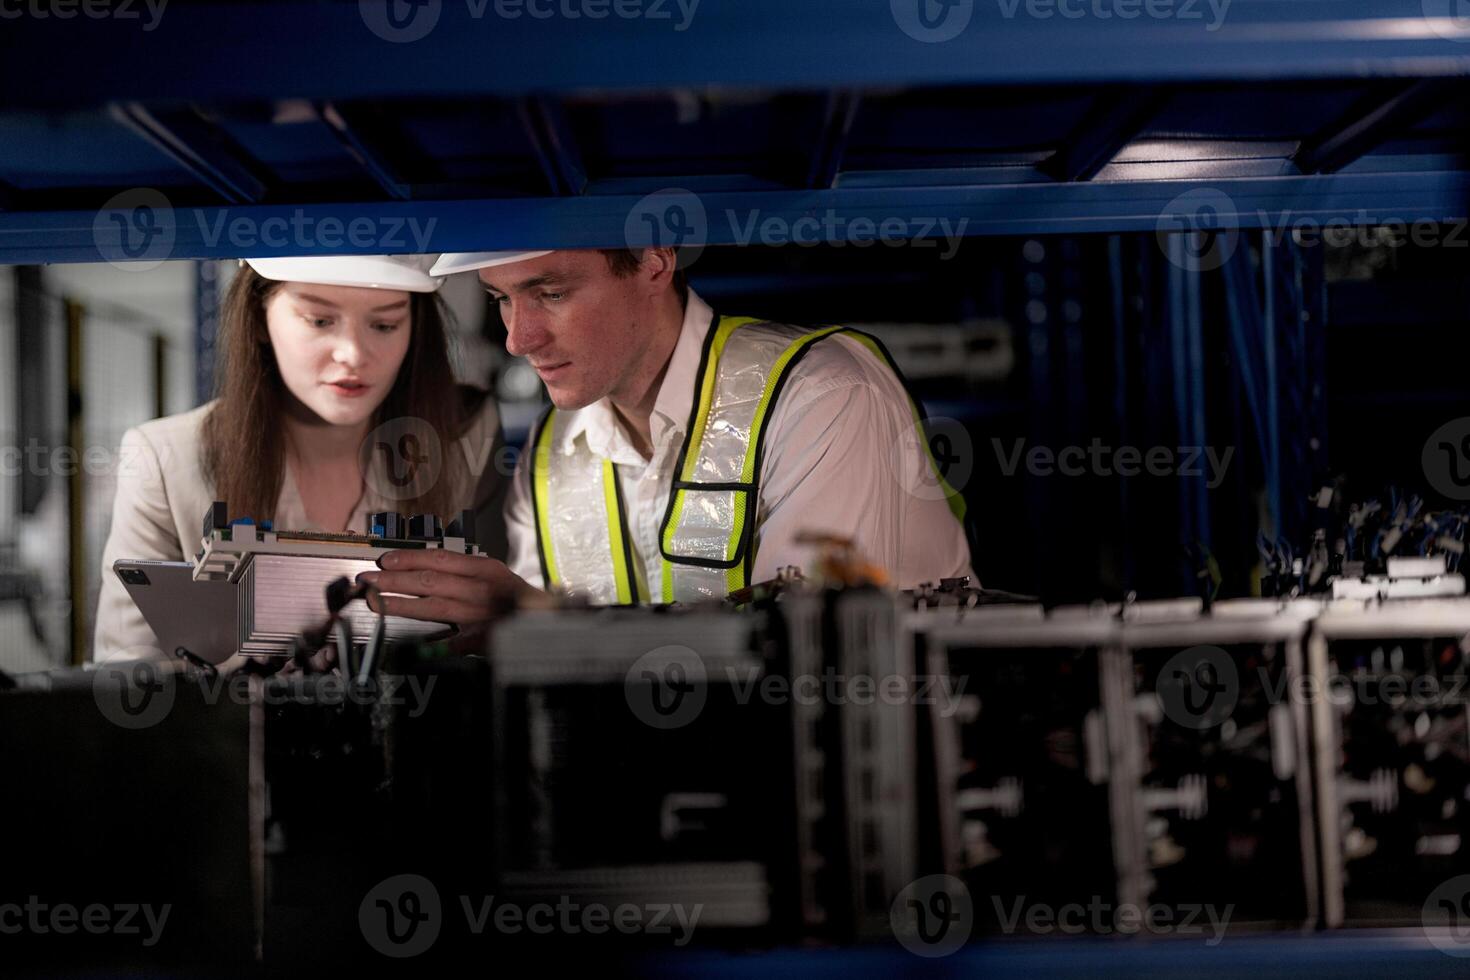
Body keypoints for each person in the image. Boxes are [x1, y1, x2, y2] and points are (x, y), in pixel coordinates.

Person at [356, 247, 972, 625]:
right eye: (501, 300)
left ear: (655, 259)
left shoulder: (821, 397)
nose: (519, 339)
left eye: (551, 293)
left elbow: (816, 646)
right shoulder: (548, 454)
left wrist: (531, 622)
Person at [93, 254, 509, 663]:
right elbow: (130, 674)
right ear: (258, 317)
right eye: (320, 320)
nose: (352, 353)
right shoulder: (164, 461)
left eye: (385, 324)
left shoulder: (465, 439)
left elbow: (503, 639)